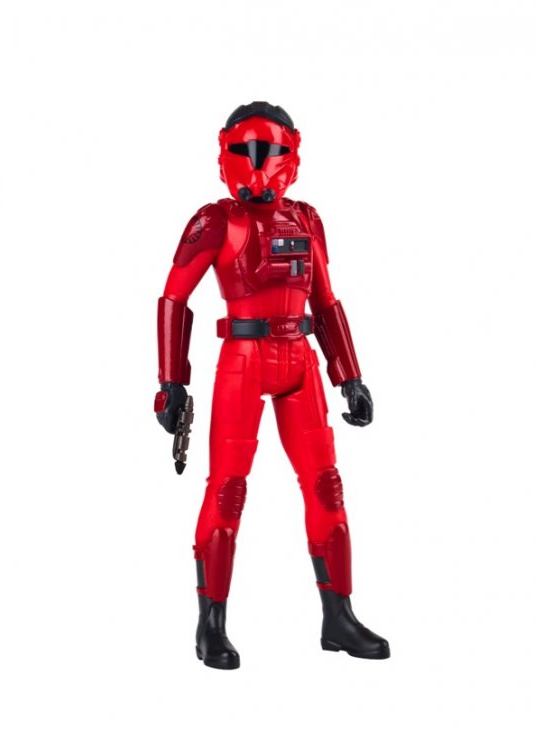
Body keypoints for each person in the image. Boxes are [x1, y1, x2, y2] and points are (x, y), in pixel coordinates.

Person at [155, 102, 390, 669]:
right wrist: (172, 382)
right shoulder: (217, 221)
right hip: (244, 358)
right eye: (248, 151)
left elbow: (325, 300)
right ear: (226, 152)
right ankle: (210, 625)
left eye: (271, 151)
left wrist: (349, 375)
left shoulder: (306, 219)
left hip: (299, 360)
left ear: (293, 153)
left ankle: (338, 617)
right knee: (227, 489)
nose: (260, 163)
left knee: (326, 487)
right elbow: (173, 298)